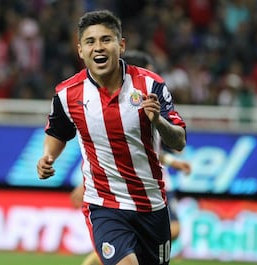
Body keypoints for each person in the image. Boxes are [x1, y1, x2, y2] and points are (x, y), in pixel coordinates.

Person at [37, 10, 186, 265]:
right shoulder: (67, 94)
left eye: (106, 39)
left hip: (152, 205)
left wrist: (158, 121)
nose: (98, 47)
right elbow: (57, 132)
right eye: (90, 41)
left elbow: (179, 141)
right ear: (80, 50)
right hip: (104, 204)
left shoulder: (150, 86)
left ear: (121, 45)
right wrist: (48, 156)